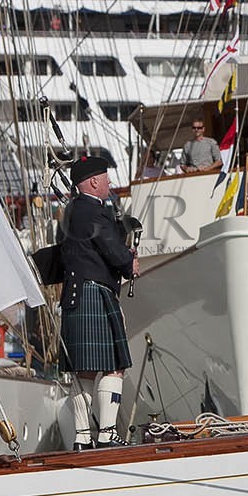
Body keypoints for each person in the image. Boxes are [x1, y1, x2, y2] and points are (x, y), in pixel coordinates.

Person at [59, 155, 138, 449]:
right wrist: (129, 263)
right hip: (94, 292)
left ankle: (82, 438)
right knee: (114, 365)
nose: (109, 182)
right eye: (105, 177)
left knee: (86, 371)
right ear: (93, 181)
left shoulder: (71, 211)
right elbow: (109, 247)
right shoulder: (92, 211)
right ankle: (106, 433)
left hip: (76, 294)